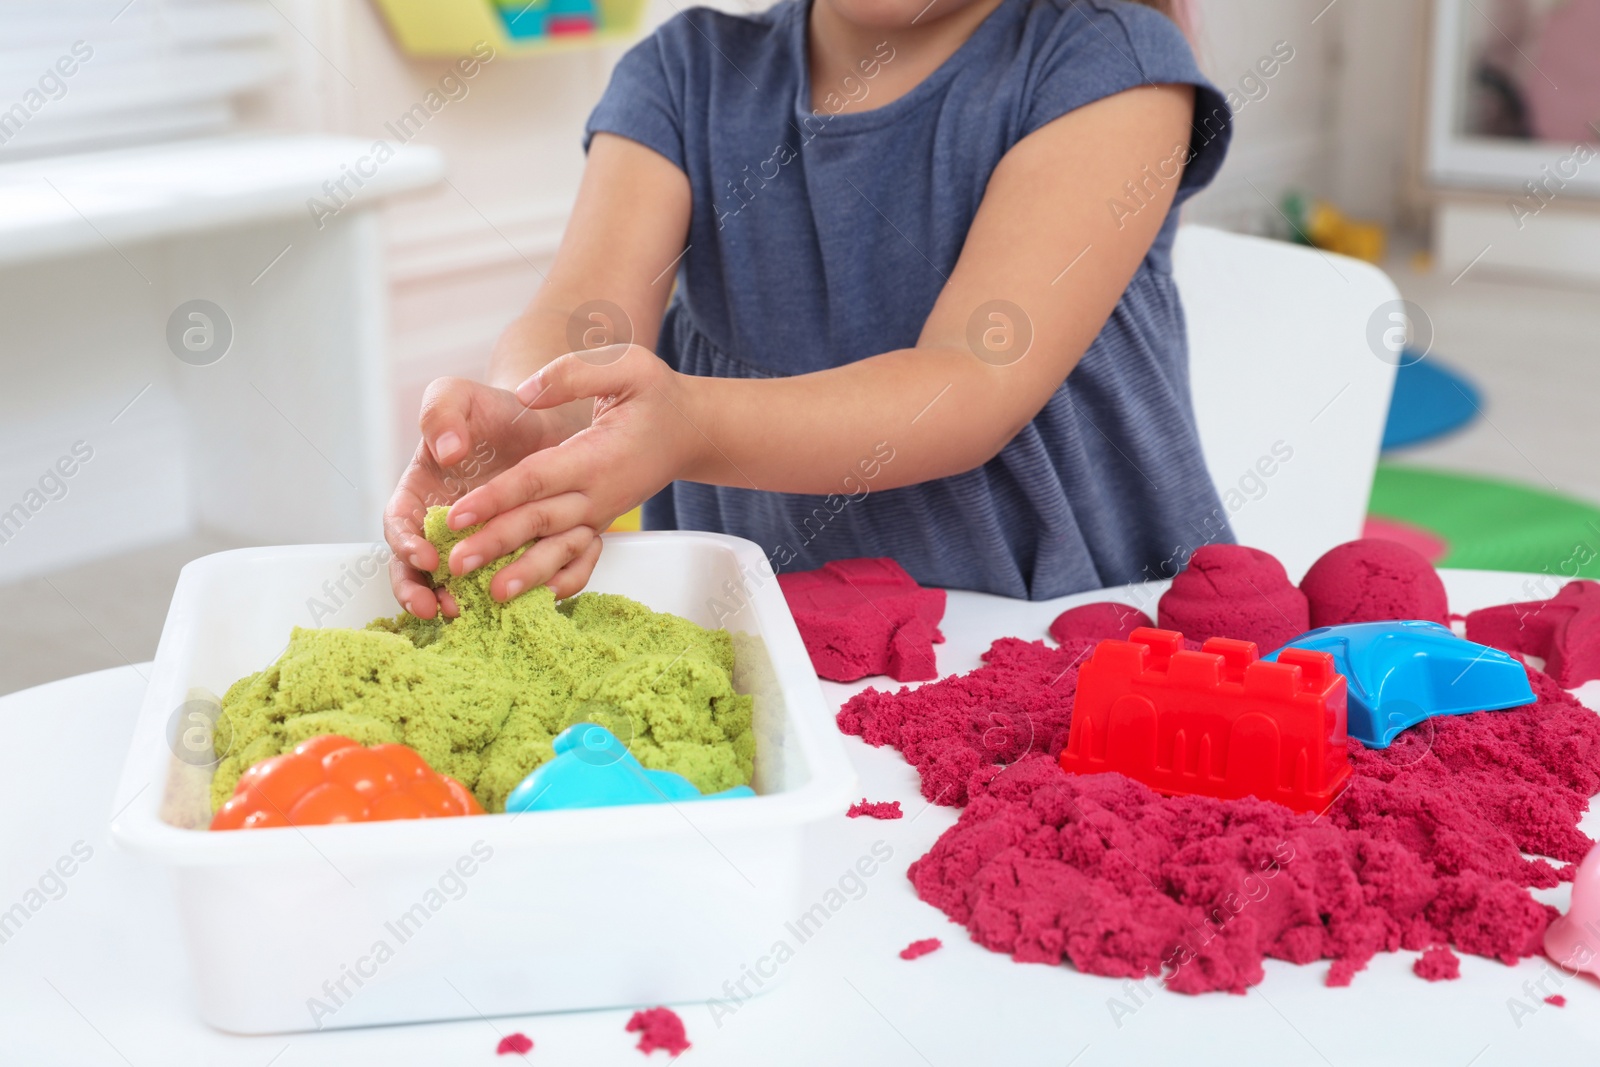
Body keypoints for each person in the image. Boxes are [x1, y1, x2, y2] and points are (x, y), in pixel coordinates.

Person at [384, 0, 1233, 619]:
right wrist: (534, 421)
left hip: (1073, 642)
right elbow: (586, 316)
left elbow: (967, 383)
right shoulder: (686, 75)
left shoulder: (1111, 64)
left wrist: (689, 423)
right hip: (779, 643)